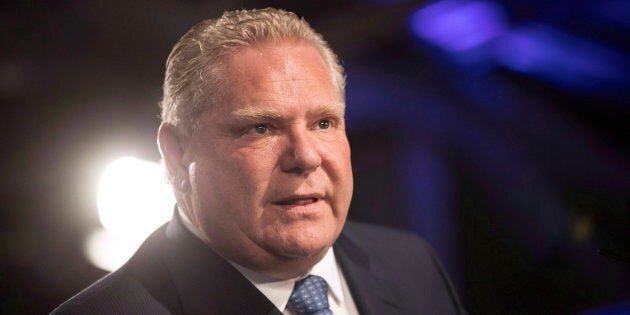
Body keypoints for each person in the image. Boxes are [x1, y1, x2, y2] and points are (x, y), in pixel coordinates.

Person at [52, 8, 466, 315]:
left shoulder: (412, 263)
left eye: (324, 123)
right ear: (177, 156)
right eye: (261, 129)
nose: (305, 157)